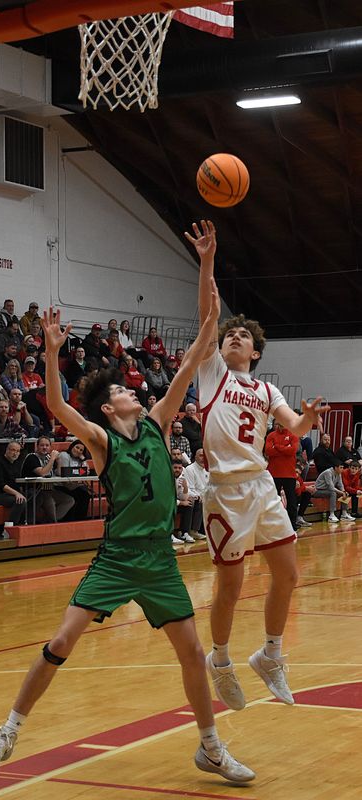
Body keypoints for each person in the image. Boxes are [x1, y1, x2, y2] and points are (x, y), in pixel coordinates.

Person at [0, 301, 255, 785]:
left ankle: (211, 747)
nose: (133, 390)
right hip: (118, 559)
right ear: (109, 407)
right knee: (61, 640)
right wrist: (52, 355)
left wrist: (208, 269)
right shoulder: (104, 441)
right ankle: (8, 731)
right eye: (124, 389)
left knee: (191, 654)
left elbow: (190, 362)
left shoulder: (159, 421)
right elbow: (58, 407)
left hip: (160, 560)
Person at [186, 218, 328, 712]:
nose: (235, 337)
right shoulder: (212, 374)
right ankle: (220, 660)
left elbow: (298, 425)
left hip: (263, 487)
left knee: (287, 575)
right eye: (231, 334)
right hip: (225, 491)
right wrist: (207, 260)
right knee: (231, 584)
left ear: (257, 351)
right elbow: (209, 312)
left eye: (244, 336)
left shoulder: (266, 390)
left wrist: (307, 416)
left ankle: (270, 654)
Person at [21, 436, 74, 523]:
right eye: (42, 445)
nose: (44, 447)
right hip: (35, 490)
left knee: (69, 500)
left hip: (49, 489)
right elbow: (43, 473)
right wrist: (52, 459)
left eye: (47, 445)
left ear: (50, 447)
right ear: (37, 446)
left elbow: (60, 474)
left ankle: (48, 520)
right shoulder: (31, 457)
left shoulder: (48, 457)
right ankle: (52, 521)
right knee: (50, 501)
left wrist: (59, 460)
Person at [265, 422, 300, 530]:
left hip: (289, 474)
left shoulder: (294, 434)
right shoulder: (271, 435)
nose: (280, 425)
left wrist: (277, 447)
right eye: (278, 423)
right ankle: (273, 525)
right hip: (273, 473)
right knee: (272, 501)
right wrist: (285, 448)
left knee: (292, 502)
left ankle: (292, 526)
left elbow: (293, 450)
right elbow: (268, 451)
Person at [0, 440, 27, 526]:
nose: (15, 453)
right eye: (13, 450)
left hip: (11, 494)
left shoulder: (17, 464)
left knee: (34, 495)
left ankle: (26, 523)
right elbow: (1, 484)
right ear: (7, 450)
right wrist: (17, 493)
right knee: (20, 501)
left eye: (17, 451)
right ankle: (10, 527)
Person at [56, 439, 91, 520]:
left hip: (72, 486)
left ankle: (80, 520)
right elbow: (64, 472)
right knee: (80, 495)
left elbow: (87, 471)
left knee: (85, 494)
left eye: (81, 450)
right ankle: (70, 520)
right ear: (72, 446)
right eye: (77, 447)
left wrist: (83, 460)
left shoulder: (79, 459)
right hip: (61, 486)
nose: (78, 450)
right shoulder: (64, 455)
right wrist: (80, 472)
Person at [183, 448, 208, 539]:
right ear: (195, 457)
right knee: (198, 500)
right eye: (201, 456)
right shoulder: (190, 469)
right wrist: (198, 496)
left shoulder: (207, 469)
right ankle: (194, 531)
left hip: (205, 497)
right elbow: (189, 488)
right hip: (194, 496)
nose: (203, 458)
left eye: (204, 456)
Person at [172, 459, 194, 544]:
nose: (177, 470)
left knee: (189, 504)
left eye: (180, 468)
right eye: (175, 468)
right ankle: (169, 534)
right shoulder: (166, 478)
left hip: (175, 503)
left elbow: (184, 498)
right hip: (165, 505)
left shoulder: (181, 478)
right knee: (170, 507)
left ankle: (184, 533)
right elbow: (167, 499)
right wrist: (180, 503)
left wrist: (185, 488)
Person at [294, 462, 314, 528]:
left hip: (296, 495)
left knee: (307, 494)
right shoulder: (289, 477)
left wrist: (305, 488)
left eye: (299, 473)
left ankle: (300, 517)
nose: (297, 474)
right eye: (296, 472)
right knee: (296, 495)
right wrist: (304, 488)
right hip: (287, 497)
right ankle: (293, 519)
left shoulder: (299, 478)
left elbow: (301, 488)